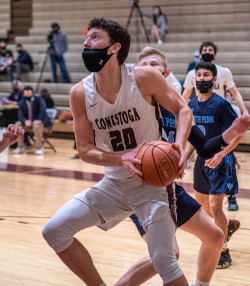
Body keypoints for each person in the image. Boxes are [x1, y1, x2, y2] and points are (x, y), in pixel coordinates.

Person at [42, 18, 193, 286]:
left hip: (151, 186)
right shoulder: (79, 93)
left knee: (165, 258)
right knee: (54, 231)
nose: (87, 43)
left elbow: (183, 110)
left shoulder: (144, 77)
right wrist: (119, 158)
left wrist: (179, 145)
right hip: (112, 184)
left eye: (95, 37)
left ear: (114, 48)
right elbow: (86, 150)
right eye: (87, 38)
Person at [114, 47, 250, 286]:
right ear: (135, 72)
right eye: (143, 65)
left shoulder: (175, 107)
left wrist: (231, 133)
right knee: (169, 254)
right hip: (137, 191)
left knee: (216, 237)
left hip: (168, 189)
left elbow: (205, 146)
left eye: (154, 65)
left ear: (165, 72)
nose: (149, 69)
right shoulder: (127, 105)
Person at [187, 62, 242, 269]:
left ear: (214, 80)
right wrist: (184, 158)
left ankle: (223, 250)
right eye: (198, 75)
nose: (202, 78)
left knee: (215, 207)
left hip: (221, 161)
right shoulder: (191, 105)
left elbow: (237, 134)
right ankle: (228, 226)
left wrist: (222, 154)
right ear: (194, 79)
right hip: (202, 161)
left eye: (206, 75)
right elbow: (192, 139)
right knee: (202, 206)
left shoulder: (221, 105)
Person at [182, 41, 248, 116]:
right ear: (200, 55)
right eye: (205, 50)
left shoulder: (224, 71)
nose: (207, 52)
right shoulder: (192, 73)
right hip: (201, 111)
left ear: (215, 55)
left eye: (210, 50)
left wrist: (245, 111)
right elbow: (185, 97)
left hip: (219, 111)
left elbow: (235, 93)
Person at [13, 86, 52, 155]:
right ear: (23, 94)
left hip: (41, 123)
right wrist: (25, 121)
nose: (28, 95)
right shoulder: (22, 102)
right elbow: (20, 115)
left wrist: (38, 119)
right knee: (17, 124)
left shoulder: (39, 99)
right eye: (26, 93)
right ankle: (20, 147)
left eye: (29, 93)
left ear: (32, 93)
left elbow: (43, 110)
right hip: (28, 124)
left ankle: (39, 147)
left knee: (36, 125)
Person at [224, 89, 240, 210]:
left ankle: (231, 197)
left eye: (228, 95)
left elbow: (238, 130)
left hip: (229, 144)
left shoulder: (236, 109)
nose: (226, 97)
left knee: (229, 171)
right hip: (216, 142)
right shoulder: (218, 106)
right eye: (225, 95)